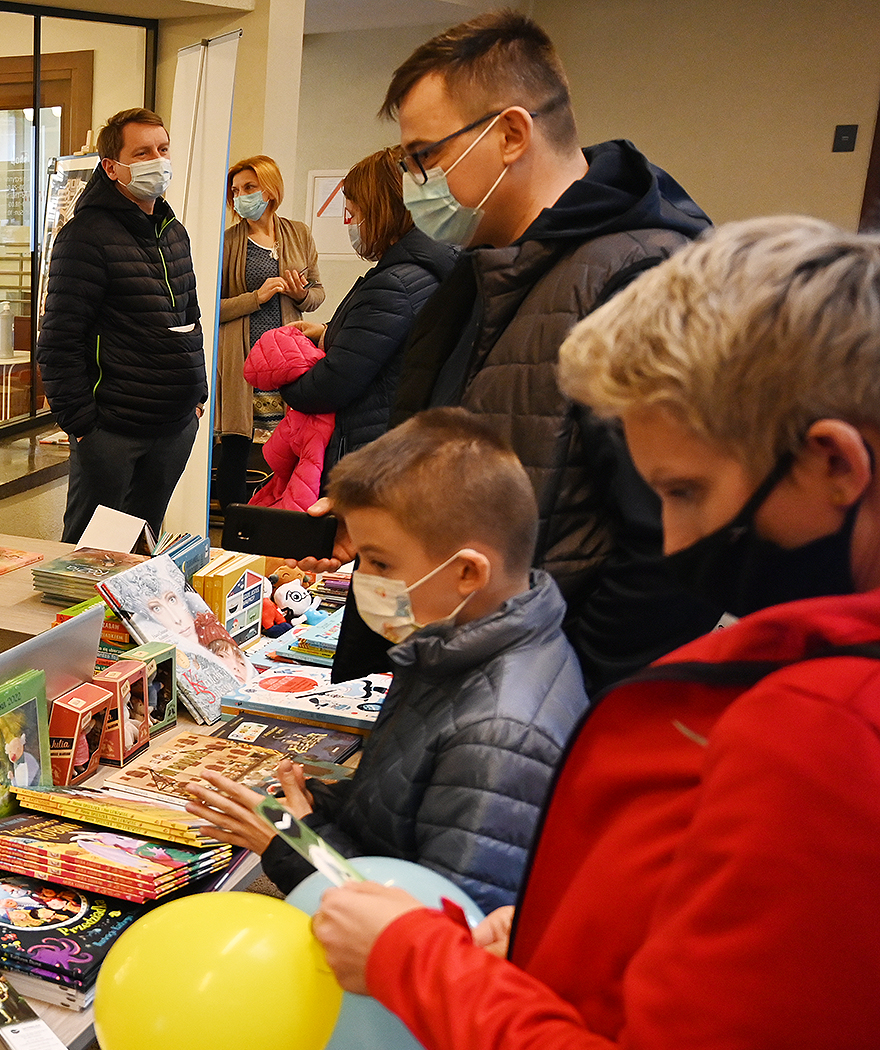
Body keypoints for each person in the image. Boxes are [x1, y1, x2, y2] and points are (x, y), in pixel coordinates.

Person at [308, 218, 880, 1050]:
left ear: (831, 464)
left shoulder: (824, 731)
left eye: (686, 489)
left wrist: (423, 963)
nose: (669, 539)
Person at [185, 409, 586, 1050]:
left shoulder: (500, 725)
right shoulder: (457, 646)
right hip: (367, 1040)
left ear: (466, 569)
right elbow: (402, 813)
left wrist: (285, 840)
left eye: (374, 558)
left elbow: (430, 926)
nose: (353, 574)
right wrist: (321, 800)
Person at [322, 9, 719, 691]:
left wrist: (554, 694)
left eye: (424, 155)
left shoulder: (640, 282)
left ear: (510, 134)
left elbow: (675, 550)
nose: (414, 180)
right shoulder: (481, 268)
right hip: (452, 671)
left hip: (536, 696)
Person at [40, 106, 207, 542]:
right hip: (111, 430)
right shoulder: (85, 236)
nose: (158, 160)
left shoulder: (173, 232)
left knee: (141, 545)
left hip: (174, 425)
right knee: (90, 552)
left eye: (163, 149)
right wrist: (82, 425)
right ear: (112, 167)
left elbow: (190, 316)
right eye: (142, 153)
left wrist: (197, 393)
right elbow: (58, 341)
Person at [279, 146, 457, 482]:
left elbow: (330, 385)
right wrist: (329, 332)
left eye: (353, 213)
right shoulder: (430, 268)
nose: (351, 224)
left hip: (368, 448)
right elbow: (382, 341)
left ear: (380, 210)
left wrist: (280, 376)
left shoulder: (393, 284)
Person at [214, 154, 323, 512]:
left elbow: (317, 294)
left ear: (270, 190)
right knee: (236, 445)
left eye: (249, 187)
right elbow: (211, 307)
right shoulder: (228, 242)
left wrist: (300, 294)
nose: (240, 196)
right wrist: (255, 298)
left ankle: (283, 517)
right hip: (244, 359)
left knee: (294, 444)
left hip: (288, 358)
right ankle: (236, 523)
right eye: (235, 191)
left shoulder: (299, 234)